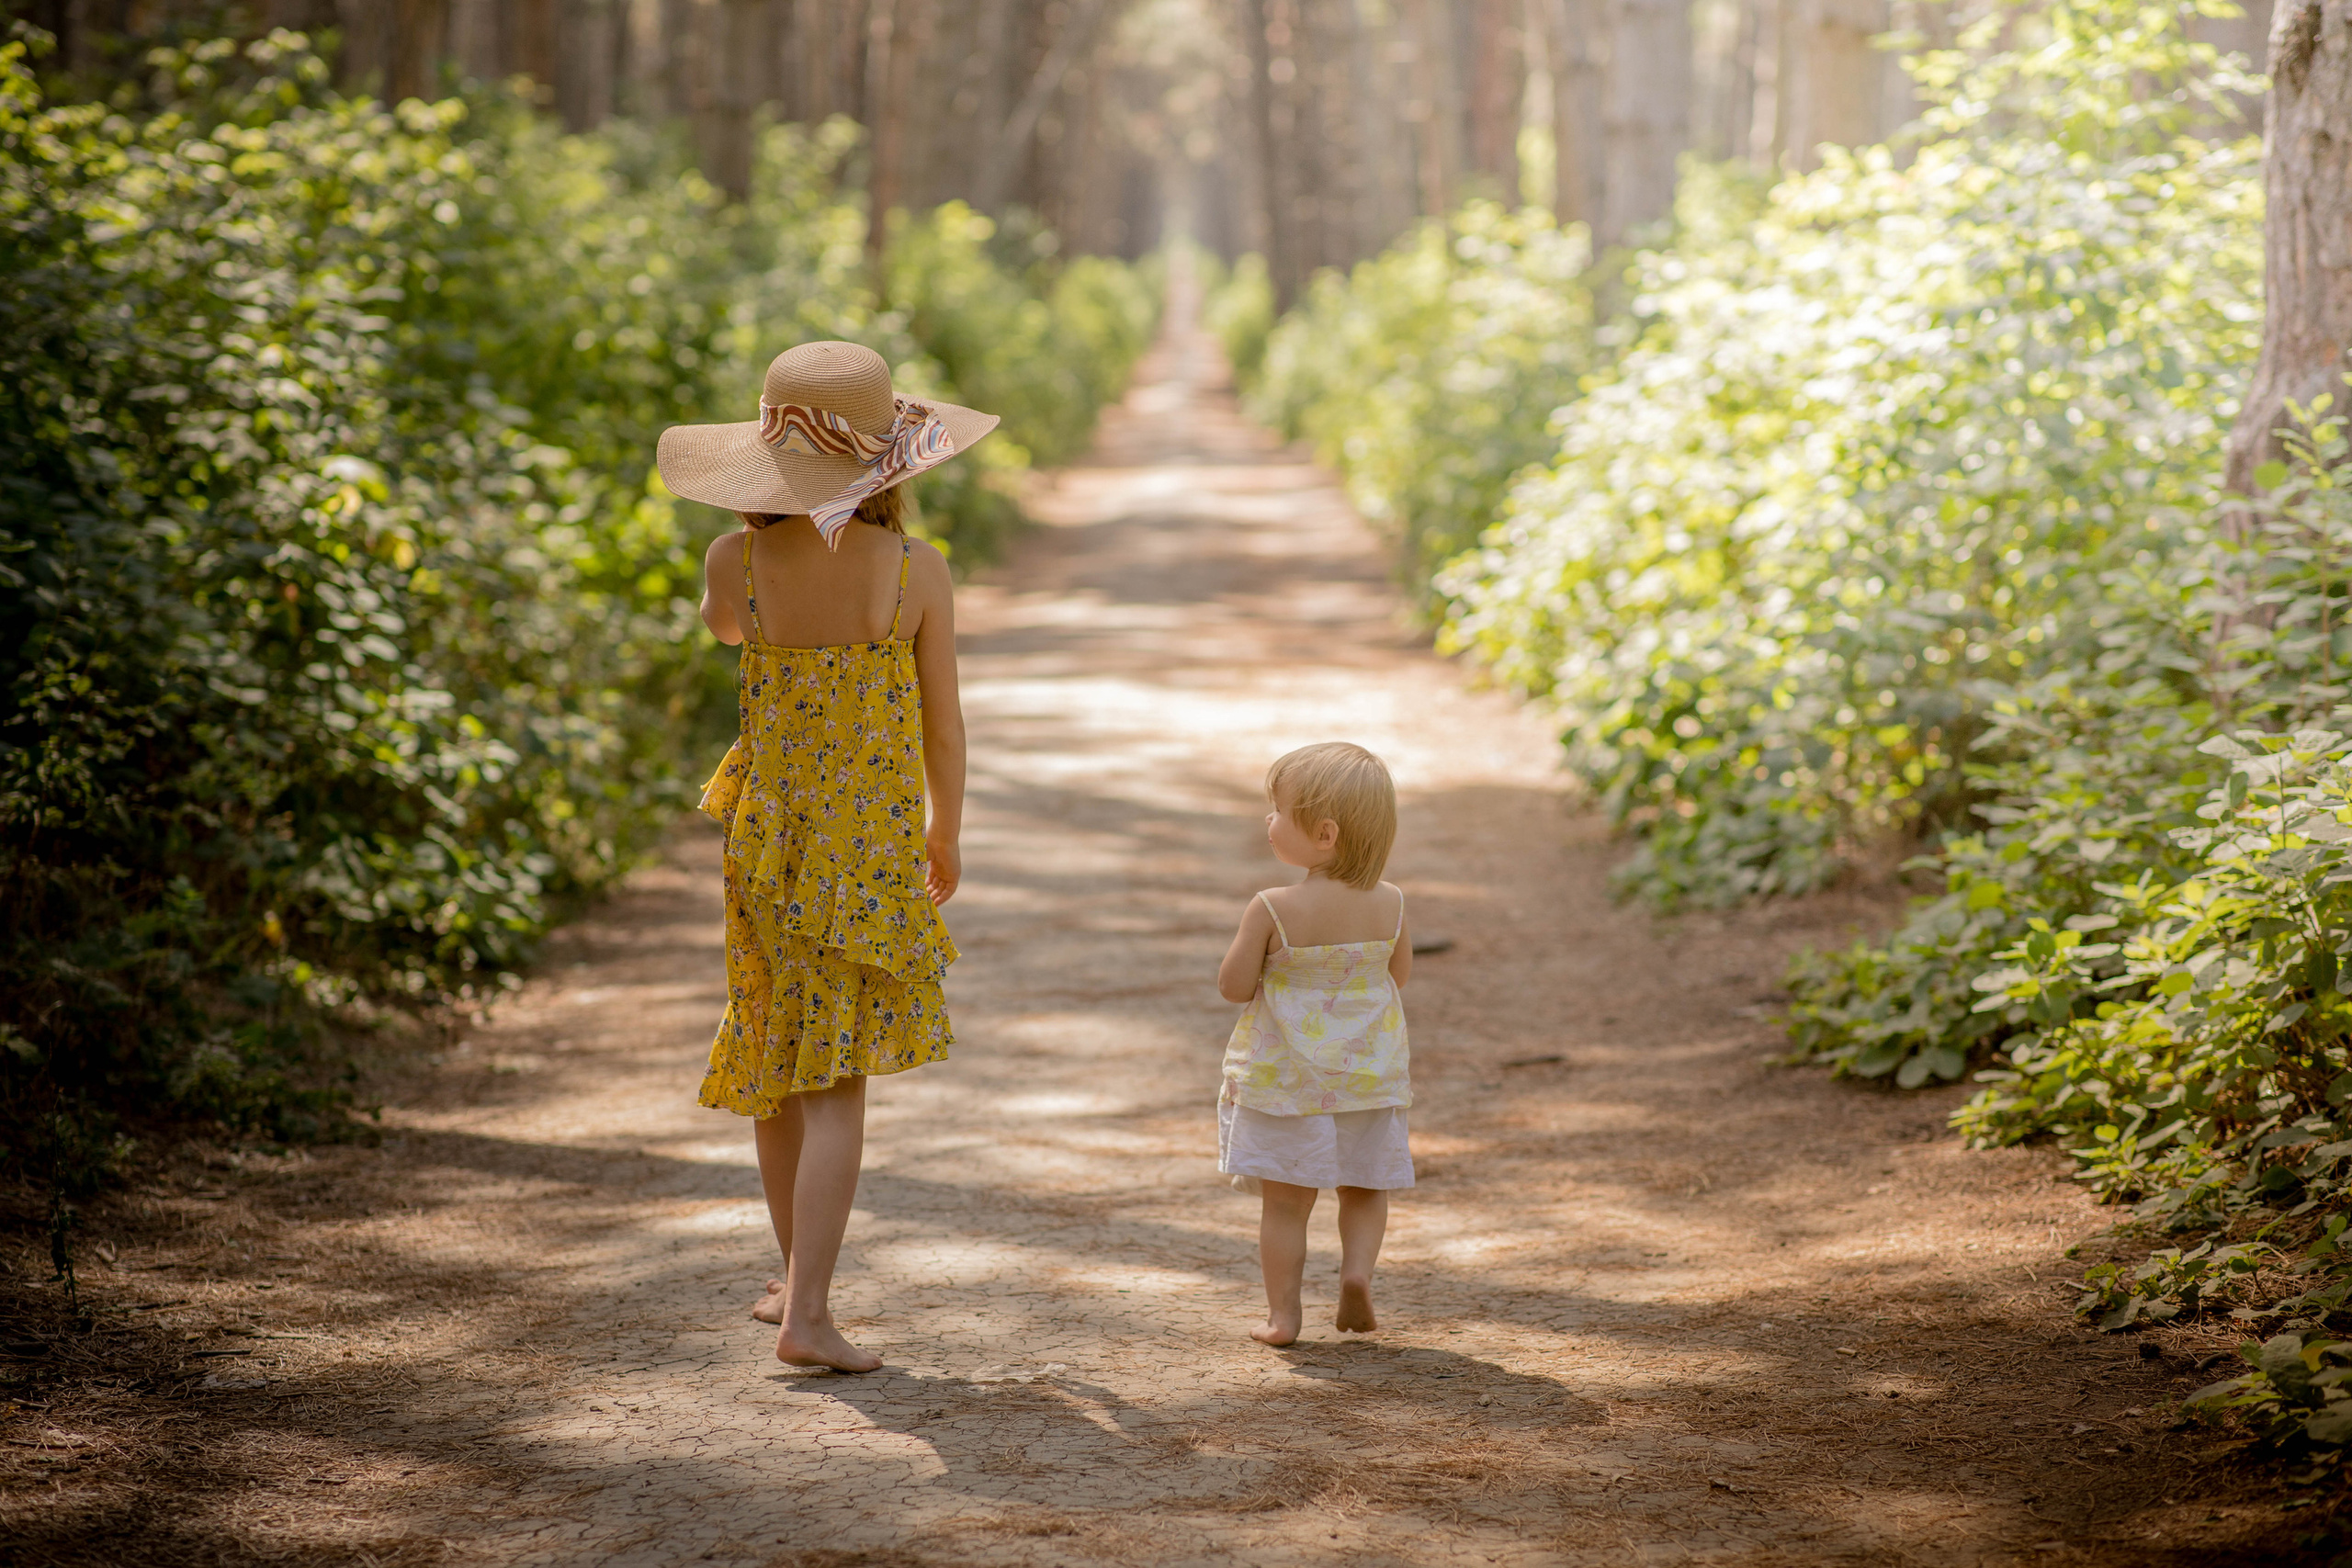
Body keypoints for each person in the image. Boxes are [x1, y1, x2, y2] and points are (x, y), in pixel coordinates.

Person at [659, 341, 997, 1373]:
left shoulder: (735, 565)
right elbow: (944, 728)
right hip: (871, 844)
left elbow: (725, 632)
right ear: (886, 463)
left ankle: (792, 1277)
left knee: (775, 1059)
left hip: (766, 840)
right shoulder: (914, 573)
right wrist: (946, 829)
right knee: (840, 1079)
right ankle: (808, 1313)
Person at [1215, 742, 1413, 1348]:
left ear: (1324, 834)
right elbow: (1396, 976)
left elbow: (1233, 985)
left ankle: (1284, 1317)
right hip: (1368, 1078)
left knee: (1285, 1205)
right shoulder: (1392, 903)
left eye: (1276, 810)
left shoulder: (1273, 907)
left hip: (1289, 1083)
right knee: (1363, 1186)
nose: (1268, 821)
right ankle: (1356, 1272)